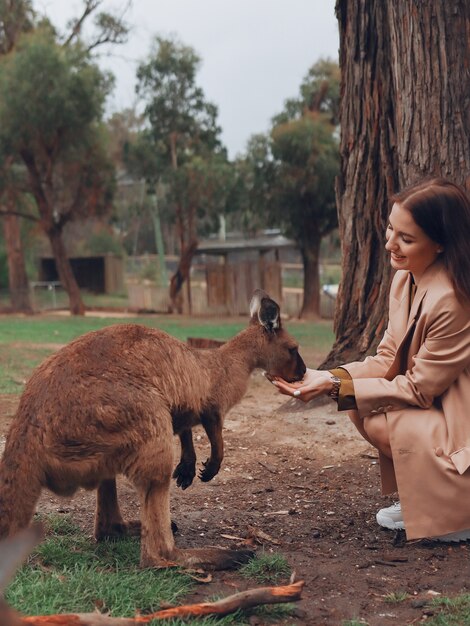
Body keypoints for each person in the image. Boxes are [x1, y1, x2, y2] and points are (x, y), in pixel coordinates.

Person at [272, 177, 470, 542]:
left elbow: (418, 389)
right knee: (356, 403)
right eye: (391, 229)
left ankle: (456, 512)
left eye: (406, 239)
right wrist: (327, 377)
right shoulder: (405, 279)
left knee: (376, 414)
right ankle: (426, 498)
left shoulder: (452, 299)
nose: (390, 244)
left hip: (461, 423)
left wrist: (335, 386)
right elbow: (387, 358)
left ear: (441, 244)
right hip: (438, 408)